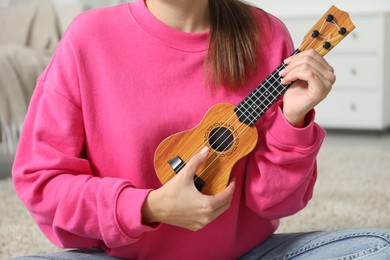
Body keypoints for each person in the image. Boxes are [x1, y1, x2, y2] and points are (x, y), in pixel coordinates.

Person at [12, 0, 390, 259]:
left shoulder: (266, 35)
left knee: (380, 246)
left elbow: (277, 203)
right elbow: (41, 181)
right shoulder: (88, 38)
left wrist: (293, 121)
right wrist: (147, 207)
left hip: (246, 255)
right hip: (122, 257)